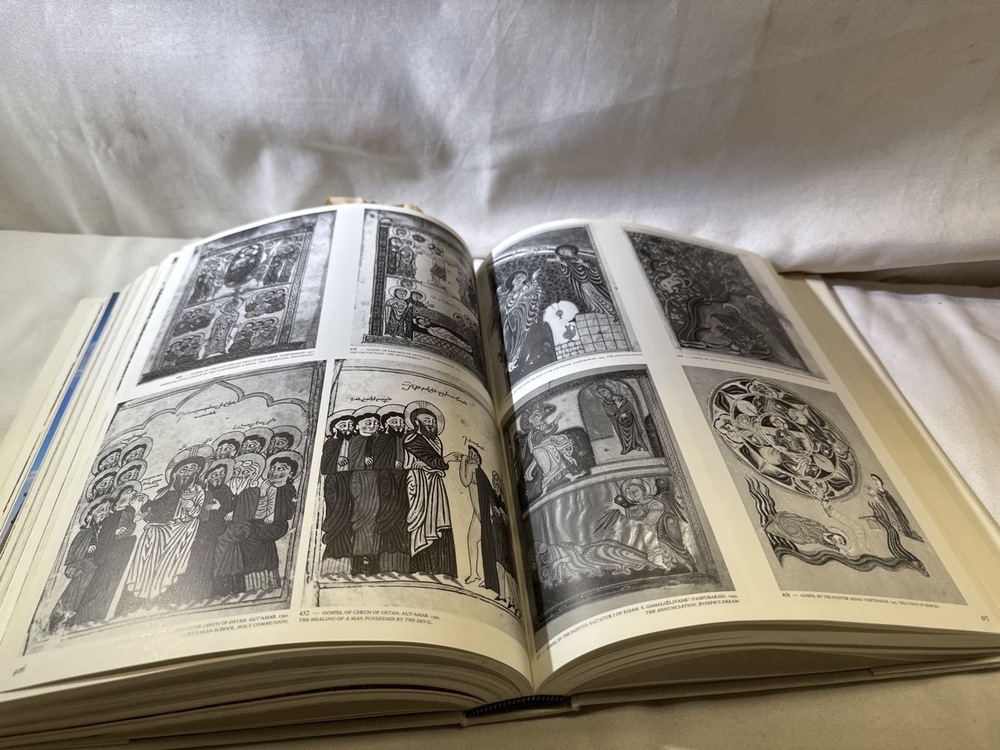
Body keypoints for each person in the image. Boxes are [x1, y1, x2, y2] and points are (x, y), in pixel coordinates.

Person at [118, 446, 215, 614]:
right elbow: (153, 514)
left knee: (166, 559)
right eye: (183, 469)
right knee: (149, 551)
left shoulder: (198, 491)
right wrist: (146, 502)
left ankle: (162, 595)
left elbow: (198, 513)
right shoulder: (164, 492)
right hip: (157, 530)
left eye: (192, 469)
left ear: (198, 473)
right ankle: (143, 596)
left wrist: (191, 506)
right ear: (175, 474)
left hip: (181, 529)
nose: (187, 473)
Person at [214, 455, 299, 594]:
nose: (274, 471)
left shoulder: (288, 489)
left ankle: (261, 583)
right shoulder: (261, 489)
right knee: (242, 540)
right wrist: (263, 493)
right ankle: (245, 584)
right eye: (273, 468)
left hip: (275, 526)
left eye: (281, 469)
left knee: (249, 537)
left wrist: (274, 514)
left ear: (290, 474)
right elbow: (258, 513)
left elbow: (287, 512)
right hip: (259, 525)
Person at [403, 403, 461, 577]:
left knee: (439, 519)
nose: (431, 424)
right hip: (419, 482)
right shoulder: (411, 439)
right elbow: (431, 460)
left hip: (434, 483)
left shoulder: (436, 441)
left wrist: (438, 464)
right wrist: (446, 459)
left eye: (433, 422)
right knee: (422, 519)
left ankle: (441, 568)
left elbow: (435, 464)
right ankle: (421, 565)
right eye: (427, 420)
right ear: (416, 422)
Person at [522, 405, 582, 493]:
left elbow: (549, 432)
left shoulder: (542, 425)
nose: (539, 418)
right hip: (541, 451)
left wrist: (557, 439)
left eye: (539, 415)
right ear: (532, 421)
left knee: (560, 464)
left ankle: (570, 476)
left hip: (550, 447)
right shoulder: (533, 432)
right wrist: (557, 419)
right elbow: (544, 433)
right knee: (548, 471)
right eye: (536, 417)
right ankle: (544, 489)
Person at [554, 244, 617, 318]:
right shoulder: (568, 262)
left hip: (591, 283)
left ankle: (612, 312)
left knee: (600, 296)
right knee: (589, 299)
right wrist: (562, 263)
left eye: (566, 251)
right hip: (581, 285)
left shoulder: (582, 258)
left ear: (572, 250)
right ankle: (600, 312)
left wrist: (582, 263)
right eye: (563, 253)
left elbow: (592, 267)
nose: (566, 254)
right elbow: (567, 273)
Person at [596, 382, 647, 454]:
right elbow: (610, 413)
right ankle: (627, 447)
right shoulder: (605, 403)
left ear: (608, 390)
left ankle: (640, 445)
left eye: (603, 390)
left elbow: (629, 406)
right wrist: (618, 410)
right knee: (623, 435)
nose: (602, 393)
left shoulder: (620, 397)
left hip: (629, 418)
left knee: (635, 431)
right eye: (600, 392)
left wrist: (626, 412)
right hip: (619, 422)